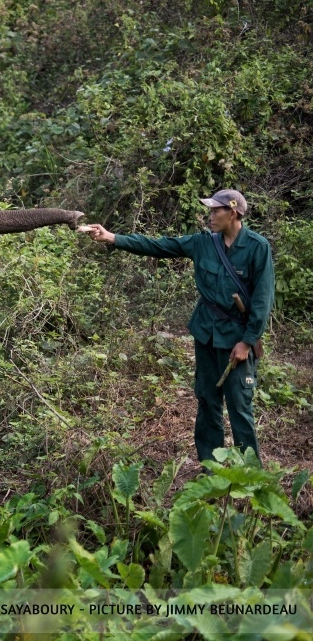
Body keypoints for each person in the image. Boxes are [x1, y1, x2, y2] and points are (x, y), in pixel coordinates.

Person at [80, 189, 274, 465]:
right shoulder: (203, 243)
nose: (210, 216)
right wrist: (112, 237)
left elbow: (263, 299)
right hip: (206, 334)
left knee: (239, 406)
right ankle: (211, 469)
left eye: (215, 211)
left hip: (237, 339)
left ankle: (251, 476)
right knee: (207, 401)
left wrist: (247, 341)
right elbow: (159, 246)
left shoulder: (257, 247)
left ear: (233, 213)